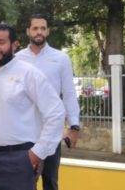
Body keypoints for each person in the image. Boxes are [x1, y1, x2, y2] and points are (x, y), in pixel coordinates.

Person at [0, 24, 65, 190]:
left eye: (1, 42)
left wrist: (37, 153)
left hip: (19, 160)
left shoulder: (29, 74)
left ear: (14, 45)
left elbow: (56, 113)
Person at [16, 15, 81, 190]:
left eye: (43, 28)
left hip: (52, 130)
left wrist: (74, 126)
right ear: (28, 31)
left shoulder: (61, 59)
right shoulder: (17, 59)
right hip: (24, 131)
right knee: (25, 181)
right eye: (35, 28)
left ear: (48, 31)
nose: (39, 32)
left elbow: (68, 93)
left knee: (50, 181)